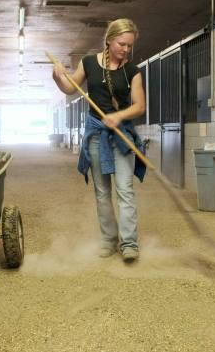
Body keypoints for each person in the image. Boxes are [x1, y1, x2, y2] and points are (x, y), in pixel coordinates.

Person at [51, 18, 147, 262]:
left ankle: (129, 243)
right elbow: (70, 89)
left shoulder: (132, 71)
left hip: (122, 135)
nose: (125, 50)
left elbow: (139, 106)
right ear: (109, 40)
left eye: (129, 46)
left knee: (124, 189)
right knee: (102, 191)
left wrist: (118, 116)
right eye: (121, 44)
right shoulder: (89, 63)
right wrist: (57, 75)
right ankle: (108, 240)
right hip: (96, 134)